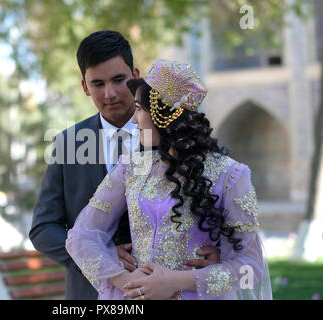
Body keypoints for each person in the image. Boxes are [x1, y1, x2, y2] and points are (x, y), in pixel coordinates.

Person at [30, 31, 220, 300]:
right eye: (97, 83)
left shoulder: (174, 138)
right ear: (84, 87)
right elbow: (43, 228)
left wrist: (219, 250)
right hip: (90, 293)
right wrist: (102, 259)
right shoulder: (67, 144)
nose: (110, 93)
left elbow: (213, 205)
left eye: (119, 80)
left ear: (135, 76)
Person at [66, 59, 272, 300]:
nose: (134, 120)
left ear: (162, 114)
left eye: (139, 109)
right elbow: (81, 236)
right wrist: (127, 281)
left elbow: (250, 267)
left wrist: (177, 281)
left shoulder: (230, 175)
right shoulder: (132, 168)